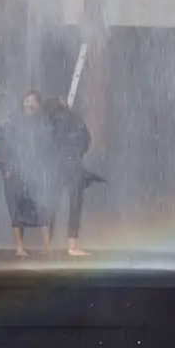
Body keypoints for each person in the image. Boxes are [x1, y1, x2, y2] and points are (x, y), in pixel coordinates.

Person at [0, 91, 58, 257]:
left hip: (38, 172)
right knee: (16, 209)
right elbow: (1, 146)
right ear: (22, 104)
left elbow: (52, 148)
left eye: (33, 101)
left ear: (39, 104)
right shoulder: (13, 124)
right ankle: (19, 248)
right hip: (16, 172)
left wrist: (49, 169)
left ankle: (47, 246)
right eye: (27, 101)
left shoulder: (45, 124)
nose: (30, 104)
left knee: (43, 207)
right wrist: (5, 168)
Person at [44, 97, 104, 257]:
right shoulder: (74, 120)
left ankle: (48, 244)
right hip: (71, 166)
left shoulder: (51, 121)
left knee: (54, 206)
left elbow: (84, 141)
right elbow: (86, 141)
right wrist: (76, 154)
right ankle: (70, 246)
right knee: (73, 206)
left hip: (59, 167)